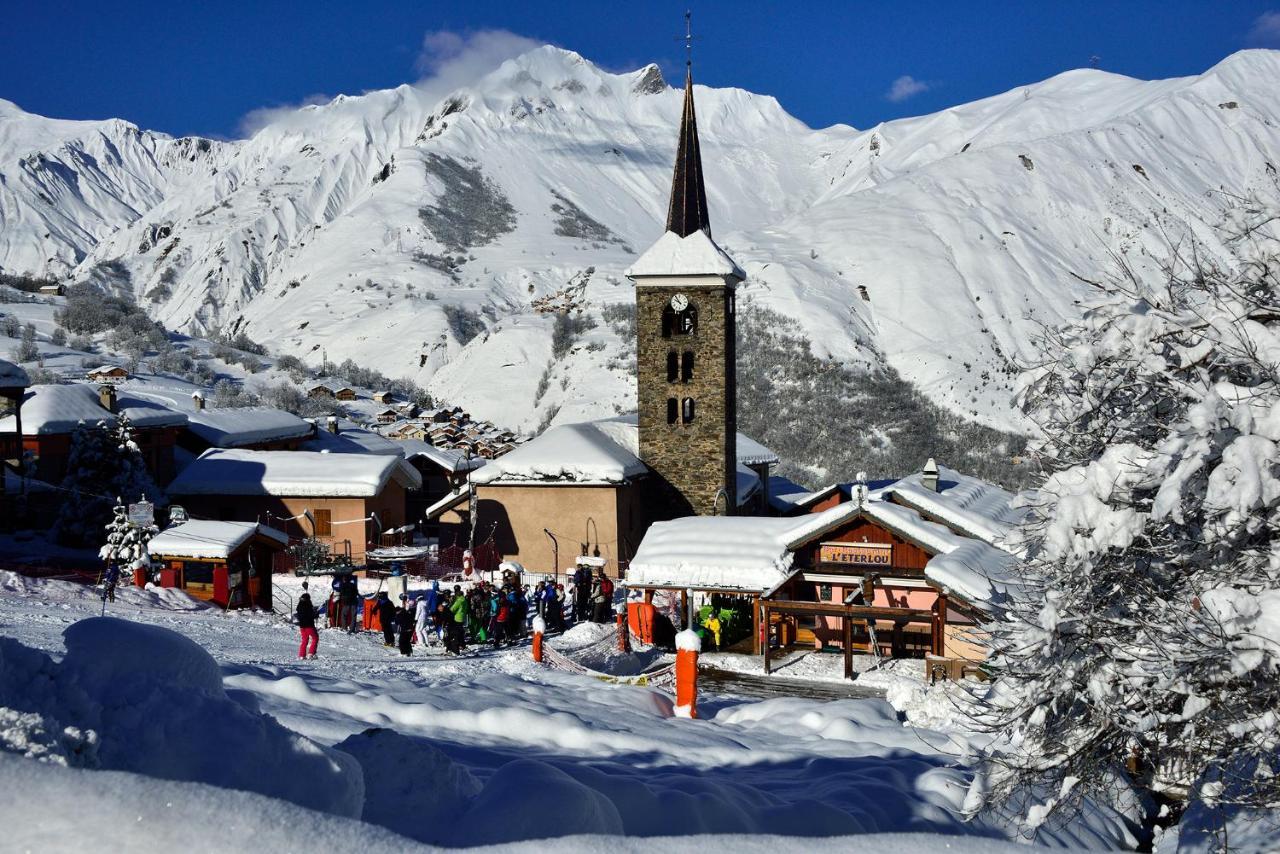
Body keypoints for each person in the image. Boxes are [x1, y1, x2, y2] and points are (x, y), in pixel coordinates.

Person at [296, 589, 319, 659]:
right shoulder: (307, 606)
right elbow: (310, 615)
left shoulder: (299, 606)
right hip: (309, 625)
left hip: (302, 626)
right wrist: (316, 614)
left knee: (305, 640)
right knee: (315, 638)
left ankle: (302, 655)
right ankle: (311, 653)